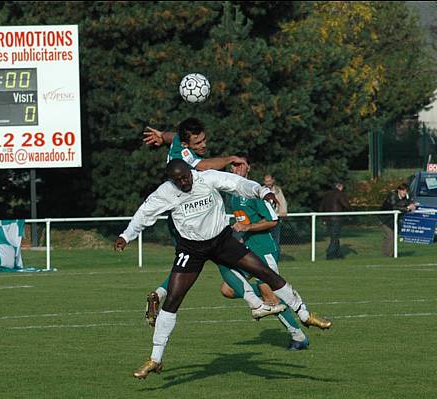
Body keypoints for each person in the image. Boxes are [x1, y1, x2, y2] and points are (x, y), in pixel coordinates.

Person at [114, 159, 332, 379]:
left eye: (186, 177)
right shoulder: (165, 192)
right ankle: (155, 359)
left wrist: (262, 191)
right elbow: (144, 214)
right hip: (191, 250)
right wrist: (125, 236)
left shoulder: (206, 178)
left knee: (266, 274)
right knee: (172, 300)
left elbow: (238, 184)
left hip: (222, 242)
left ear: (190, 172)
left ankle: (304, 314)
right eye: (178, 180)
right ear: (172, 180)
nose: (184, 182)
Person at [143, 119, 285, 322]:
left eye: (204, 140)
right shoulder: (185, 156)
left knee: (188, 263)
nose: (203, 145)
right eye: (198, 142)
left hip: (179, 215)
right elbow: (205, 165)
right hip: (187, 216)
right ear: (186, 145)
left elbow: (172, 135)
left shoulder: (177, 141)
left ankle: (159, 294)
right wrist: (230, 159)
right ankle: (257, 305)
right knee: (224, 261)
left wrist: (161, 135)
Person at [221, 157, 310, 350]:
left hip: (264, 250)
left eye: (241, 164)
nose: (237, 168)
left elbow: (272, 220)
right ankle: (272, 297)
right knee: (227, 289)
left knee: (269, 295)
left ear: (249, 168)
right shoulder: (231, 195)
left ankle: (298, 336)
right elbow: (241, 221)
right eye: (234, 165)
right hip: (246, 250)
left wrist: (248, 227)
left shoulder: (254, 192)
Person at [380, 183, 416, 257]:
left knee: (393, 236)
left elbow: (410, 202)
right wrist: (407, 208)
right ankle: (387, 255)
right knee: (390, 236)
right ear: (399, 190)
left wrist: (412, 205)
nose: (404, 192)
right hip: (384, 219)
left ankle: (390, 254)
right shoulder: (392, 195)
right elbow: (394, 207)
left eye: (406, 191)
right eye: (403, 190)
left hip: (394, 219)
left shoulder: (406, 196)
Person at [319, 181, 351, 260]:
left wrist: (323, 219)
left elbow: (321, 207)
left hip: (327, 218)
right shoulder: (340, 194)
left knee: (334, 236)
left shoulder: (327, 194)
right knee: (334, 237)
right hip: (336, 218)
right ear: (340, 186)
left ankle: (338, 254)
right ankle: (330, 254)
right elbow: (346, 205)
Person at [263, 174, 287, 253]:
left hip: (276, 217)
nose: (268, 183)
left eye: (269, 181)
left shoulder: (277, 190)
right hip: (265, 218)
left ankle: (275, 252)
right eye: (266, 181)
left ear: (273, 181)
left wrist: (283, 212)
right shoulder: (261, 190)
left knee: (275, 237)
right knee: (266, 236)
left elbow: (282, 202)